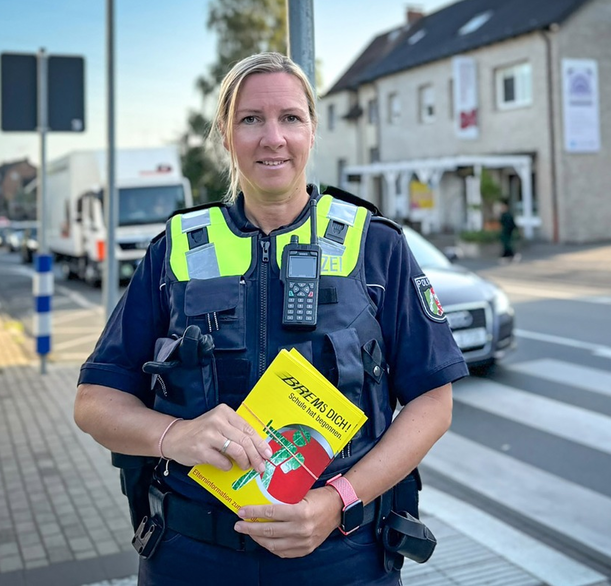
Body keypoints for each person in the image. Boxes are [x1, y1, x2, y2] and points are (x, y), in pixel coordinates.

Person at [74, 52, 468, 586]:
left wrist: (338, 499)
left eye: (290, 118)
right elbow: (95, 402)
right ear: (226, 133)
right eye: (251, 119)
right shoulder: (175, 252)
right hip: (192, 557)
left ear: (311, 130)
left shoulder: (375, 246)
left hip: (342, 556)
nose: (272, 138)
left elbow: (433, 403)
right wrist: (175, 435)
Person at [499, 198, 520, 263]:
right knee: (506, 245)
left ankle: (510, 256)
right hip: (505, 232)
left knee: (507, 245)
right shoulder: (503, 215)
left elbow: (511, 224)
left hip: (508, 232)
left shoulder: (507, 215)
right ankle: (507, 256)